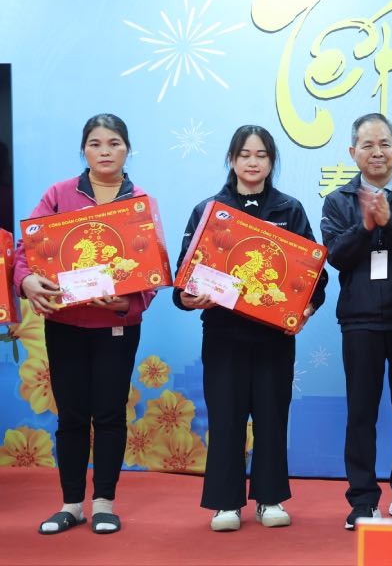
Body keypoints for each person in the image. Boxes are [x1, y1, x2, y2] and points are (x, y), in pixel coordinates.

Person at [172, 125, 327, 532]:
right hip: (224, 335)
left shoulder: (290, 210)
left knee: (273, 417)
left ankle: (270, 499)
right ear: (232, 159)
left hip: (274, 338)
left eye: (261, 154)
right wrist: (188, 296)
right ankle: (225, 503)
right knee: (226, 417)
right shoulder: (210, 211)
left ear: (271, 162)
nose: (252, 161)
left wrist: (306, 308)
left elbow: (314, 274)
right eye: (245, 154)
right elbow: (183, 276)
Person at [15, 114, 157, 535]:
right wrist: (25, 279)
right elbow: (28, 247)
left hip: (115, 326)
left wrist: (127, 303)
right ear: (84, 151)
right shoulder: (59, 194)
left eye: (113, 143)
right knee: (71, 416)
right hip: (66, 324)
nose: (105, 151)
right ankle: (72, 504)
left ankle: (104, 503)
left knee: (110, 415)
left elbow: (152, 269)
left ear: (127, 148)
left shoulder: (139, 201)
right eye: (95, 144)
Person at [320, 113, 392, 530]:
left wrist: (390, 220)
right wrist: (365, 225)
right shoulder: (338, 200)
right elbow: (336, 256)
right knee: (361, 412)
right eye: (367, 145)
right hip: (360, 321)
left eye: (384, 143)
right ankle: (363, 500)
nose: (377, 152)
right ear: (353, 152)